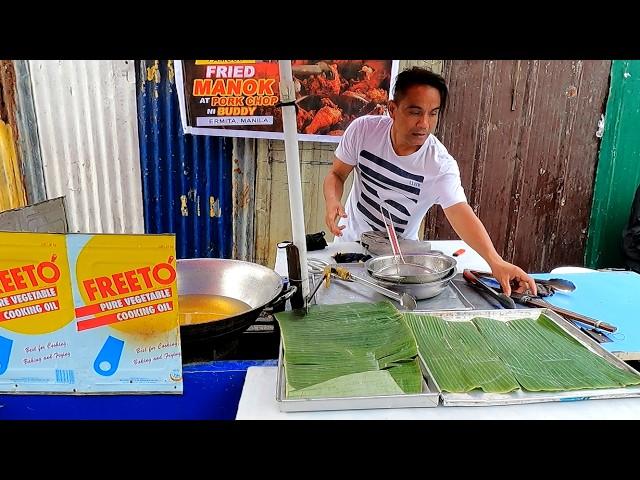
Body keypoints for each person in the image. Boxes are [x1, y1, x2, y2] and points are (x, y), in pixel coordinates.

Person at [323, 66, 536, 296]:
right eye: (415, 112)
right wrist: (333, 200)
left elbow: (461, 212)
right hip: (348, 249)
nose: (424, 123)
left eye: (433, 113)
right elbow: (337, 174)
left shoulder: (439, 164)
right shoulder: (363, 131)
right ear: (392, 109)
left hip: (397, 262)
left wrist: (495, 261)